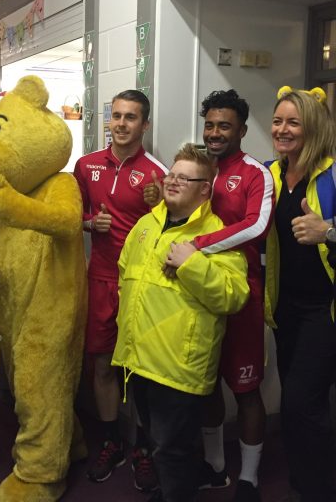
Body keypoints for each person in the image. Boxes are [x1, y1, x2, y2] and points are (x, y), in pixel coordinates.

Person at [112, 143, 249, 502]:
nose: (173, 182)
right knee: (158, 446)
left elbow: (234, 295)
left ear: (206, 188)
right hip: (138, 358)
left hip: (178, 366)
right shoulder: (146, 223)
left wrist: (192, 264)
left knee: (173, 452)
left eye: (185, 178)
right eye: (172, 174)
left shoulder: (218, 235)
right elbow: (125, 272)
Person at [73, 89, 167, 490]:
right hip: (100, 278)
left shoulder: (156, 173)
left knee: (142, 371)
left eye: (131, 117)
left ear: (145, 124)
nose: (122, 124)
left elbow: (175, 226)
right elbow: (72, 214)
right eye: (116, 116)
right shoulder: (86, 164)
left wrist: (160, 201)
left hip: (140, 285)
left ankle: (144, 448)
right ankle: (111, 440)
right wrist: (88, 223)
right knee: (102, 365)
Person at [193, 89, 274, 501]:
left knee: (245, 390)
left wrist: (200, 244)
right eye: (209, 125)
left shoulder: (258, 173)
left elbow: (255, 226)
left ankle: (250, 478)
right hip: (199, 295)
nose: (214, 132)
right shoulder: (195, 168)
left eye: (224, 126)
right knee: (205, 385)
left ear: (241, 130)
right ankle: (216, 467)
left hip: (242, 296)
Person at [264, 86, 336, 501]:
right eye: (278, 121)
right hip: (285, 307)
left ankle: (317, 489)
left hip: (324, 309)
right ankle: (302, 480)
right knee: (300, 401)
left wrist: (327, 231)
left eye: (293, 122)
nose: (283, 129)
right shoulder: (272, 175)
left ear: (313, 128)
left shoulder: (330, 175)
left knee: (301, 403)